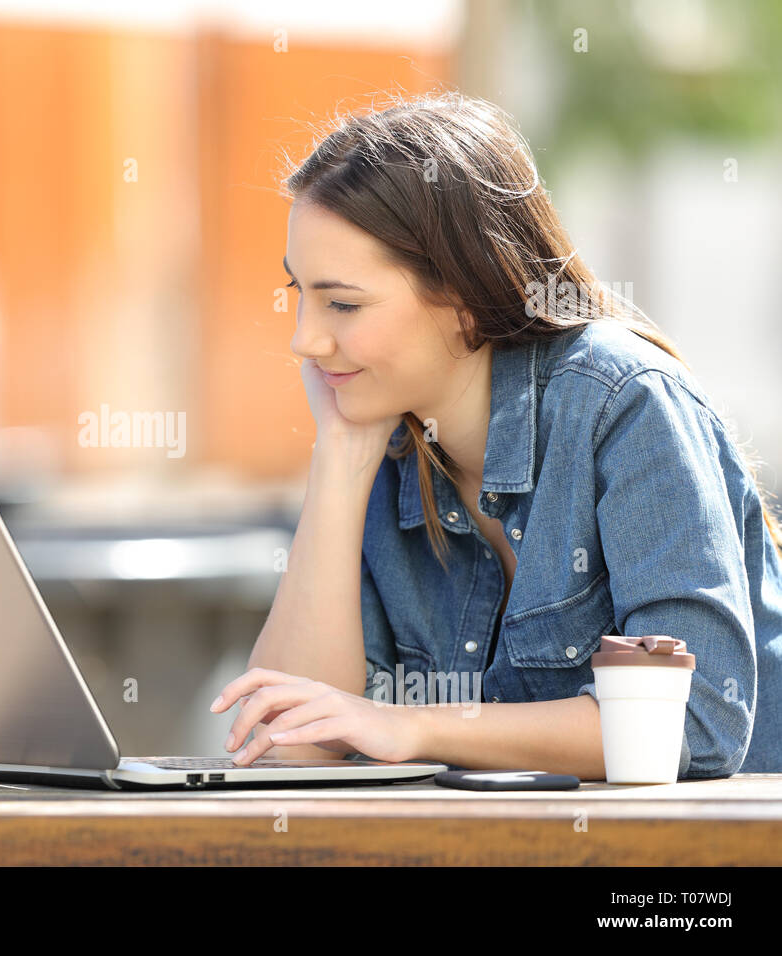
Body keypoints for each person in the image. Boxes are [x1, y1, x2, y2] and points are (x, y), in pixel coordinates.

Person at [210, 91, 782, 779]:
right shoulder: (385, 435)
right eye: (299, 294)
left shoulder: (623, 404)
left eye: (342, 303)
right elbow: (288, 743)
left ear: (461, 296)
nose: (305, 340)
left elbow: (690, 724)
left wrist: (410, 726)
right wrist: (339, 457)